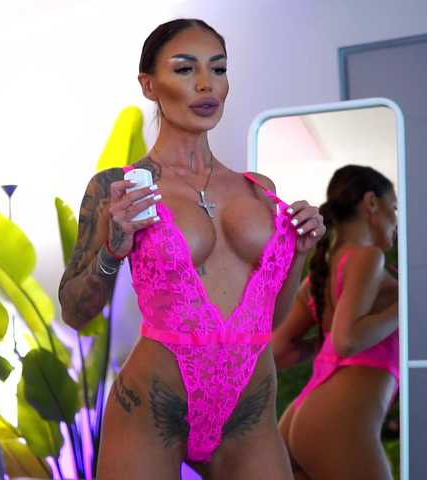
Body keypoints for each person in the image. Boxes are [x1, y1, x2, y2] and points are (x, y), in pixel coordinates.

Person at [58, 18, 326, 479]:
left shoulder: (259, 189)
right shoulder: (117, 188)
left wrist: (299, 252)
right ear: (149, 85)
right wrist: (112, 250)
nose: (206, 84)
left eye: (218, 69)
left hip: (248, 419)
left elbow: (268, 322)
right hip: (152, 412)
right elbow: (74, 313)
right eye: (185, 69)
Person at [272, 165, 400, 480]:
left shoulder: (321, 274)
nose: (396, 220)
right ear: (371, 203)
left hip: (300, 417)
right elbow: (346, 341)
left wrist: (322, 344)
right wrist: (406, 305)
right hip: (338, 422)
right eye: (394, 207)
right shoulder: (368, 257)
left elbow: (278, 350)